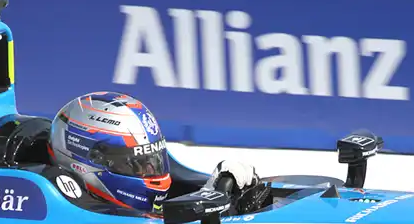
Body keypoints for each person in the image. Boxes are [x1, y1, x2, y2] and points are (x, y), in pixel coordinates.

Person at [48, 91, 261, 216]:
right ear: (88, 160)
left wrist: (210, 191)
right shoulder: (54, 206)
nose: (150, 171)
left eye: (151, 160)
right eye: (133, 163)